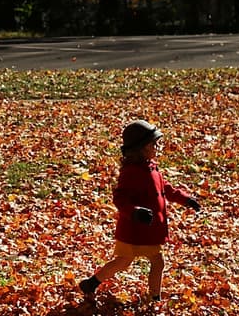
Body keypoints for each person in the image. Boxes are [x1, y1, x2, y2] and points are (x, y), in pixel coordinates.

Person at [77, 119, 200, 303]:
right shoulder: (131, 172)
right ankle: (154, 298)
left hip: (145, 230)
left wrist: (185, 199)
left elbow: (165, 188)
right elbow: (120, 198)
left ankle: (91, 283)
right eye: (154, 145)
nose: (157, 148)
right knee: (148, 262)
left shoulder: (151, 167)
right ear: (142, 148)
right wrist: (134, 212)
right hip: (135, 231)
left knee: (125, 261)